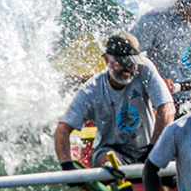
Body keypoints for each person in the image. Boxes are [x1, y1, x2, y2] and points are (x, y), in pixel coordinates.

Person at [54, 33, 175, 168]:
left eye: (131, 63)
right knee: (108, 162)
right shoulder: (90, 91)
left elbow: (168, 110)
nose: (127, 69)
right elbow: (63, 130)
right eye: (122, 63)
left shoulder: (144, 68)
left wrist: (153, 147)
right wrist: (66, 164)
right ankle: (113, 178)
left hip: (148, 148)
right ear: (106, 59)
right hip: (112, 152)